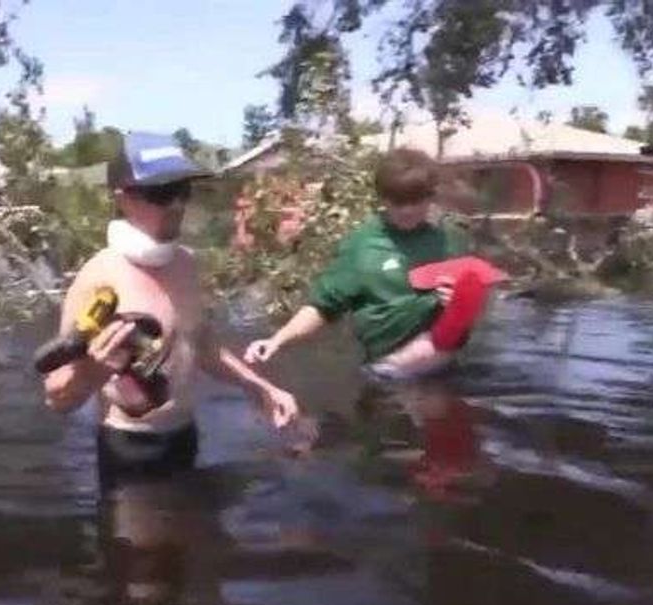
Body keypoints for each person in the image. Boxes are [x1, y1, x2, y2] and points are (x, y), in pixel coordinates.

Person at [42, 131, 299, 490]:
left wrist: (260, 388)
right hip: (130, 448)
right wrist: (94, 371)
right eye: (161, 194)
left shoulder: (186, 265)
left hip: (185, 438)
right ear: (123, 198)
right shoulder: (98, 277)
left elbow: (204, 347)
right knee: (141, 546)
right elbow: (57, 398)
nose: (176, 204)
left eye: (183, 191)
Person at [244, 148, 489, 379]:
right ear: (383, 198)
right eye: (398, 202)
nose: (407, 210)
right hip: (391, 374)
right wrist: (277, 340)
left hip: (447, 368)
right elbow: (323, 306)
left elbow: (474, 301)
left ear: (430, 197)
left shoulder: (447, 241)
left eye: (416, 201)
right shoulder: (362, 246)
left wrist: (460, 302)